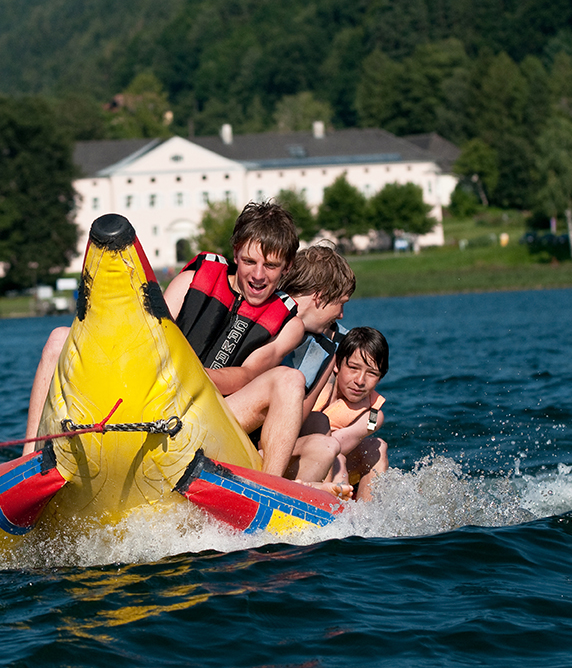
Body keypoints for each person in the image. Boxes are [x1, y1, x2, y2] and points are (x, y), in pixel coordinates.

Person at [23, 201, 306, 477]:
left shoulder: (288, 324)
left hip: (217, 415)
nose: (258, 275)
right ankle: (27, 463)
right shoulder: (193, 280)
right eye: (249, 261)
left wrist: (192, 376)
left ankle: (271, 489)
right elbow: (149, 336)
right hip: (157, 396)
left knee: (289, 380)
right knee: (60, 337)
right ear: (235, 253)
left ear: (287, 267)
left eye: (271, 266)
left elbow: (247, 375)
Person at [272, 245, 357, 491]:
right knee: (325, 445)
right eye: (340, 303)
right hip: (245, 432)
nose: (341, 315)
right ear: (319, 297)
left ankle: (311, 490)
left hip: (274, 436)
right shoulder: (268, 320)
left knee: (320, 424)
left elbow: (302, 415)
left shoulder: (330, 342)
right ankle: (287, 491)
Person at [313, 326, 390, 501]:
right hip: (298, 452)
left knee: (377, 447)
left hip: (333, 461)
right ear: (337, 364)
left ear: (380, 377)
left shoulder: (373, 417)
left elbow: (335, 445)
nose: (360, 381)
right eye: (354, 368)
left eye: (372, 373)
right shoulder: (316, 380)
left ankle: (364, 517)